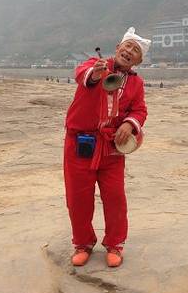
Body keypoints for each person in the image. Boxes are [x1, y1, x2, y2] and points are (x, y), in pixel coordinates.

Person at [63, 27, 150, 268]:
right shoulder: (95, 64)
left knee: (115, 197)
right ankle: (83, 243)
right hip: (80, 143)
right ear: (117, 48)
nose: (129, 51)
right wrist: (95, 74)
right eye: (127, 46)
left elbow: (139, 110)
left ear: (139, 61)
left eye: (135, 51)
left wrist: (129, 124)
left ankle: (115, 244)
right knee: (78, 197)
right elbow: (82, 75)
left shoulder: (136, 83)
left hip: (111, 147)